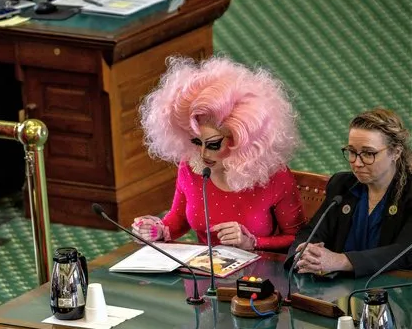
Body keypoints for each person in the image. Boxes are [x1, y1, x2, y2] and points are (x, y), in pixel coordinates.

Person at [131, 56, 305, 252]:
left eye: (213, 144)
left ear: (241, 140)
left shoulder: (274, 176)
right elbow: (178, 220)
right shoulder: (190, 167)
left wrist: (253, 243)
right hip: (205, 276)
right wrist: (158, 230)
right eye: (196, 142)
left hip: (257, 277)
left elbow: (298, 239)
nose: (203, 153)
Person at [287, 108, 412, 278]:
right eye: (352, 152)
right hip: (337, 290)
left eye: (368, 153)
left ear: (395, 152)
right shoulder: (341, 185)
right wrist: (302, 254)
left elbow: (404, 252)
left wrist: (342, 261)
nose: (357, 163)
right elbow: (310, 233)